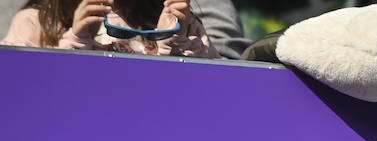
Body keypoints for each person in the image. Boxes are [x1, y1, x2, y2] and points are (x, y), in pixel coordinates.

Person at [2, 0, 217, 54]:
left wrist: (176, 42)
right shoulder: (36, 22)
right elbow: (22, 102)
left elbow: (211, 95)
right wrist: (75, 42)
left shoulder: (171, 16)